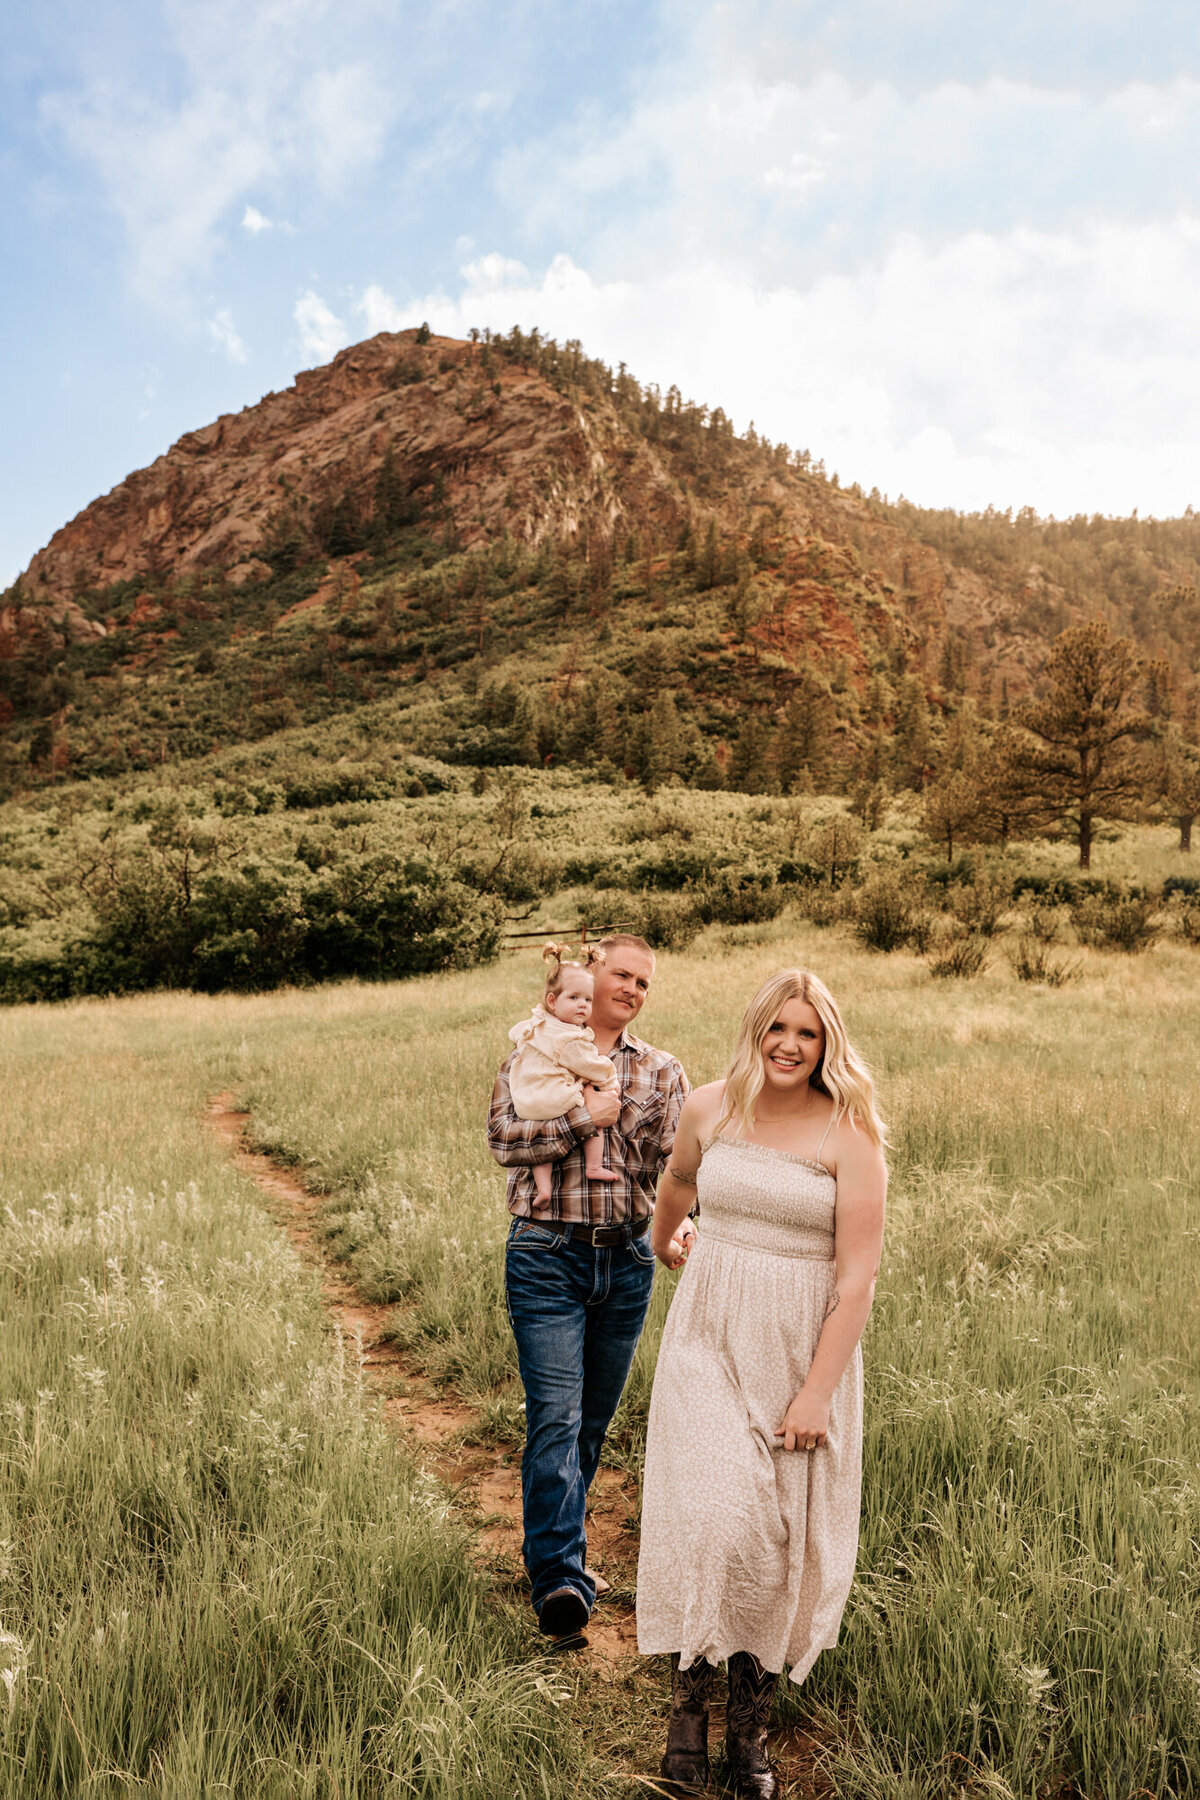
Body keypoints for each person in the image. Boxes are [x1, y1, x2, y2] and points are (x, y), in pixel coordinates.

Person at [636, 968, 887, 1798]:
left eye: (807, 1034)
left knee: (775, 1544)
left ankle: (749, 1735)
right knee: (714, 1519)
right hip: (708, 1339)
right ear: (755, 1029)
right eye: (777, 1028)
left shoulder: (849, 1134)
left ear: (827, 1046)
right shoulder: (710, 1106)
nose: (788, 1045)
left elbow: (856, 1280)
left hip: (800, 1354)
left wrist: (816, 1393)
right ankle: (686, 1716)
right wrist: (664, 1240)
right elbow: (675, 1184)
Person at [487, 933, 692, 1647]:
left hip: (628, 1261)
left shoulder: (663, 1071)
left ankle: (559, 1551)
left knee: (592, 1423)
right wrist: (583, 1119)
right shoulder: (533, 1052)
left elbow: (681, 1167)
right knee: (556, 1416)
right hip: (546, 1255)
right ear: (587, 976)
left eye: (644, 982)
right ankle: (559, 1583)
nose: (632, 989)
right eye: (621, 975)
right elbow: (505, 1141)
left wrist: (686, 1228)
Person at [506, 942, 621, 1209]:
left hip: (529, 1102)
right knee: (595, 1116)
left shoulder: (536, 1026)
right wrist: (610, 1085)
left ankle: (544, 1189)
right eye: (574, 998)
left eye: (588, 1000)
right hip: (557, 1097)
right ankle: (594, 1165)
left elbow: (517, 1036)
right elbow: (595, 1066)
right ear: (552, 1001)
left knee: (542, 1144)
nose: (582, 1005)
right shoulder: (569, 1038)